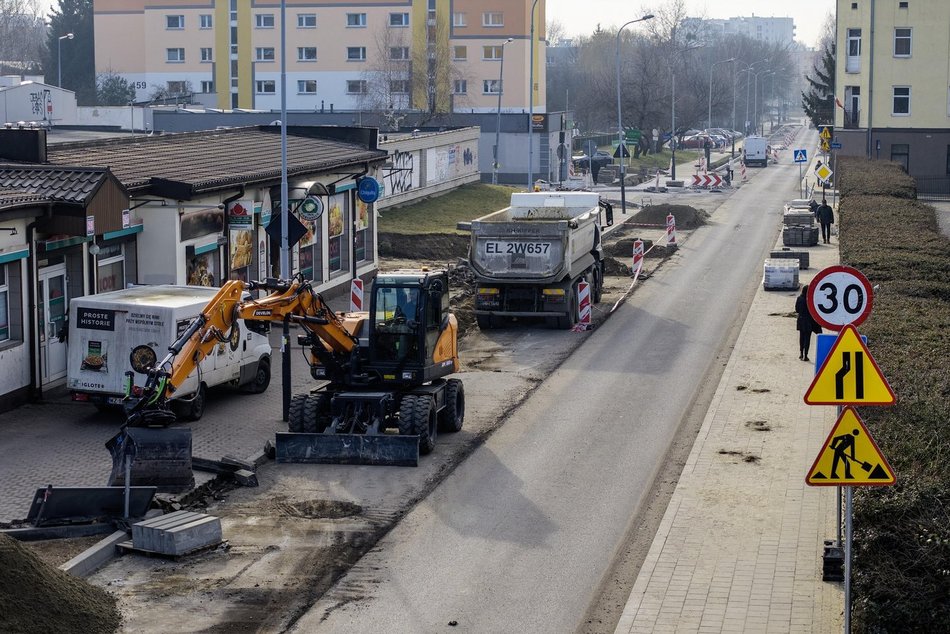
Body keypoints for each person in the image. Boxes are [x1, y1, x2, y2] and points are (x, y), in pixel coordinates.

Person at [795, 284, 821, 361]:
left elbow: (797, 310)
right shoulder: (811, 300)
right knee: (807, 339)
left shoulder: (799, 299)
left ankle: (801, 354)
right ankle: (806, 355)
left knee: (801, 338)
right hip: (809, 321)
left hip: (801, 320)